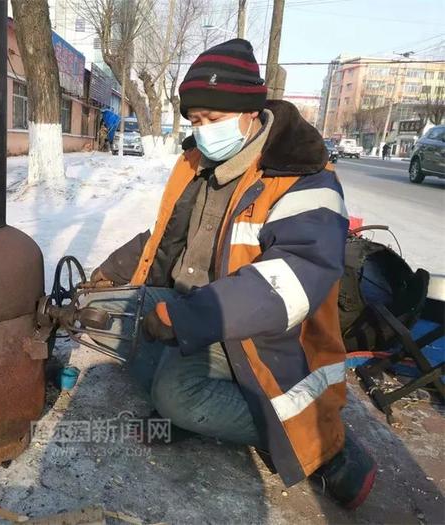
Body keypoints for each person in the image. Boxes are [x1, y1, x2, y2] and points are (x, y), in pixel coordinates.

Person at [86, 39, 376, 510]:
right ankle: (199, 408)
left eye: (213, 120)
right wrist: (108, 274)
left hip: (262, 334)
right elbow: (161, 237)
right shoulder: (200, 165)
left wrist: (186, 320)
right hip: (198, 311)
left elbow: (292, 279)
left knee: (174, 394)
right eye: (195, 121)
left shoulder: (303, 178)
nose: (203, 132)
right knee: (112, 321)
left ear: (249, 113)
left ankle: (319, 438)